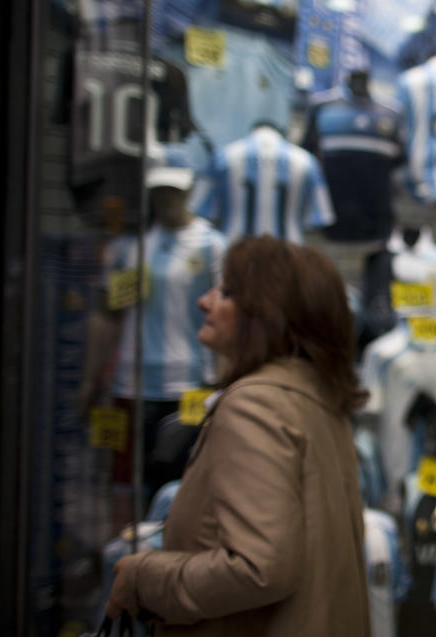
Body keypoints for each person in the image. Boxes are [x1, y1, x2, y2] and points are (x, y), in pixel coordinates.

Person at [104, 236, 371, 636]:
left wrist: (144, 576)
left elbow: (258, 567)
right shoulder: (313, 399)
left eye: (226, 292)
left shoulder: (256, 405)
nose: (205, 302)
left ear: (265, 314)